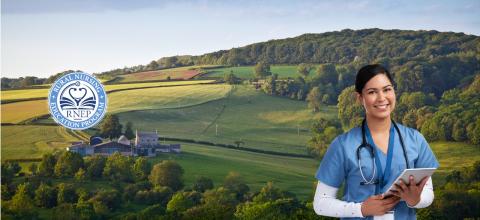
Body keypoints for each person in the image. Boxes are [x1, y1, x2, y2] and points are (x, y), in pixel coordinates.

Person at [313, 64, 439, 219]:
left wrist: (416, 200)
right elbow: (320, 203)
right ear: (360, 98)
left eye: (387, 89)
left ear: (394, 91)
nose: (382, 98)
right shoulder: (343, 145)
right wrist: (361, 209)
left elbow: (428, 193)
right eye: (372, 92)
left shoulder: (415, 139)